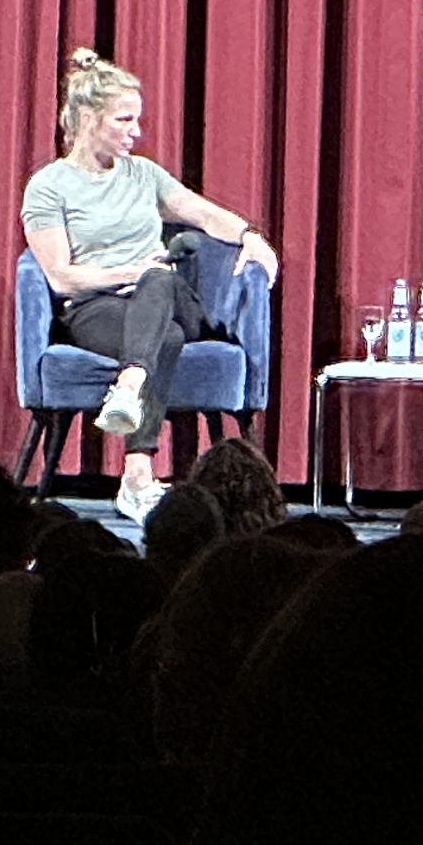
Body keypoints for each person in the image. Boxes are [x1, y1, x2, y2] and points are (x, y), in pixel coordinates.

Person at [20, 49, 279, 523]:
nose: (137, 132)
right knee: (167, 335)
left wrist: (250, 235)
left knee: (162, 279)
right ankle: (138, 472)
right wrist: (130, 273)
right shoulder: (49, 186)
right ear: (89, 119)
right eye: (125, 119)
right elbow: (59, 276)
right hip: (96, 309)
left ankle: (131, 381)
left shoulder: (143, 175)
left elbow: (199, 212)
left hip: (172, 300)